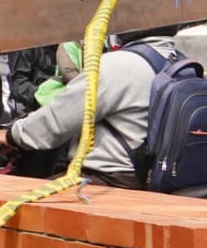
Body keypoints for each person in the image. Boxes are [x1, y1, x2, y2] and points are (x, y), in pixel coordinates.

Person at [10, 36, 157, 184]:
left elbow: (62, 118)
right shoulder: (168, 58)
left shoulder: (114, 65)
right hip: (146, 168)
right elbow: (20, 85)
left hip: (112, 173)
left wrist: (12, 136)